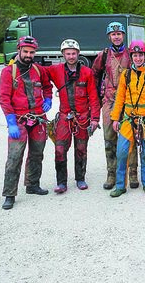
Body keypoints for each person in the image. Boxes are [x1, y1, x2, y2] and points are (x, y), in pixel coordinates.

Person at [92, 21, 145, 190]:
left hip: (131, 100)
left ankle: (133, 173)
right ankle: (112, 174)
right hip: (110, 99)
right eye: (113, 34)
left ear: (123, 35)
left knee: (133, 135)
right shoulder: (104, 54)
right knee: (110, 136)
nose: (116, 37)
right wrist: (96, 97)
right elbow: (94, 74)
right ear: (109, 36)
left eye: (119, 34)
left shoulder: (131, 52)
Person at [0, 36, 53, 210]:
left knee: (37, 154)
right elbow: (4, 99)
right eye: (26, 51)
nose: (29, 55)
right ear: (19, 50)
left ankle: (32, 184)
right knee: (14, 157)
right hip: (19, 120)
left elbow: (47, 86)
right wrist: (10, 121)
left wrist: (49, 99)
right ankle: (9, 194)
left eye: (32, 52)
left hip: (38, 118)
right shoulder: (8, 72)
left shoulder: (39, 70)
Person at [109, 41, 145, 197]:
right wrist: (115, 118)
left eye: (140, 55)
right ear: (131, 57)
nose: (138, 58)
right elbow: (119, 98)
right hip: (128, 118)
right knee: (122, 152)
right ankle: (120, 185)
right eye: (135, 55)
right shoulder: (125, 75)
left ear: (144, 56)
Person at [47, 39, 100, 193]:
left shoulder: (87, 72)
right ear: (63, 54)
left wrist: (95, 119)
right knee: (59, 149)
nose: (71, 56)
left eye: (74, 53)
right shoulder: (55, 70)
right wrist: (46, 96)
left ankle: (80, 178)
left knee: (81, 148)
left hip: (83, 117)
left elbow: (94, 98)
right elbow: (38, 72)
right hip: (65, 117)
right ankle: (61, 182)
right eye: (68, 53)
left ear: (78, 54)